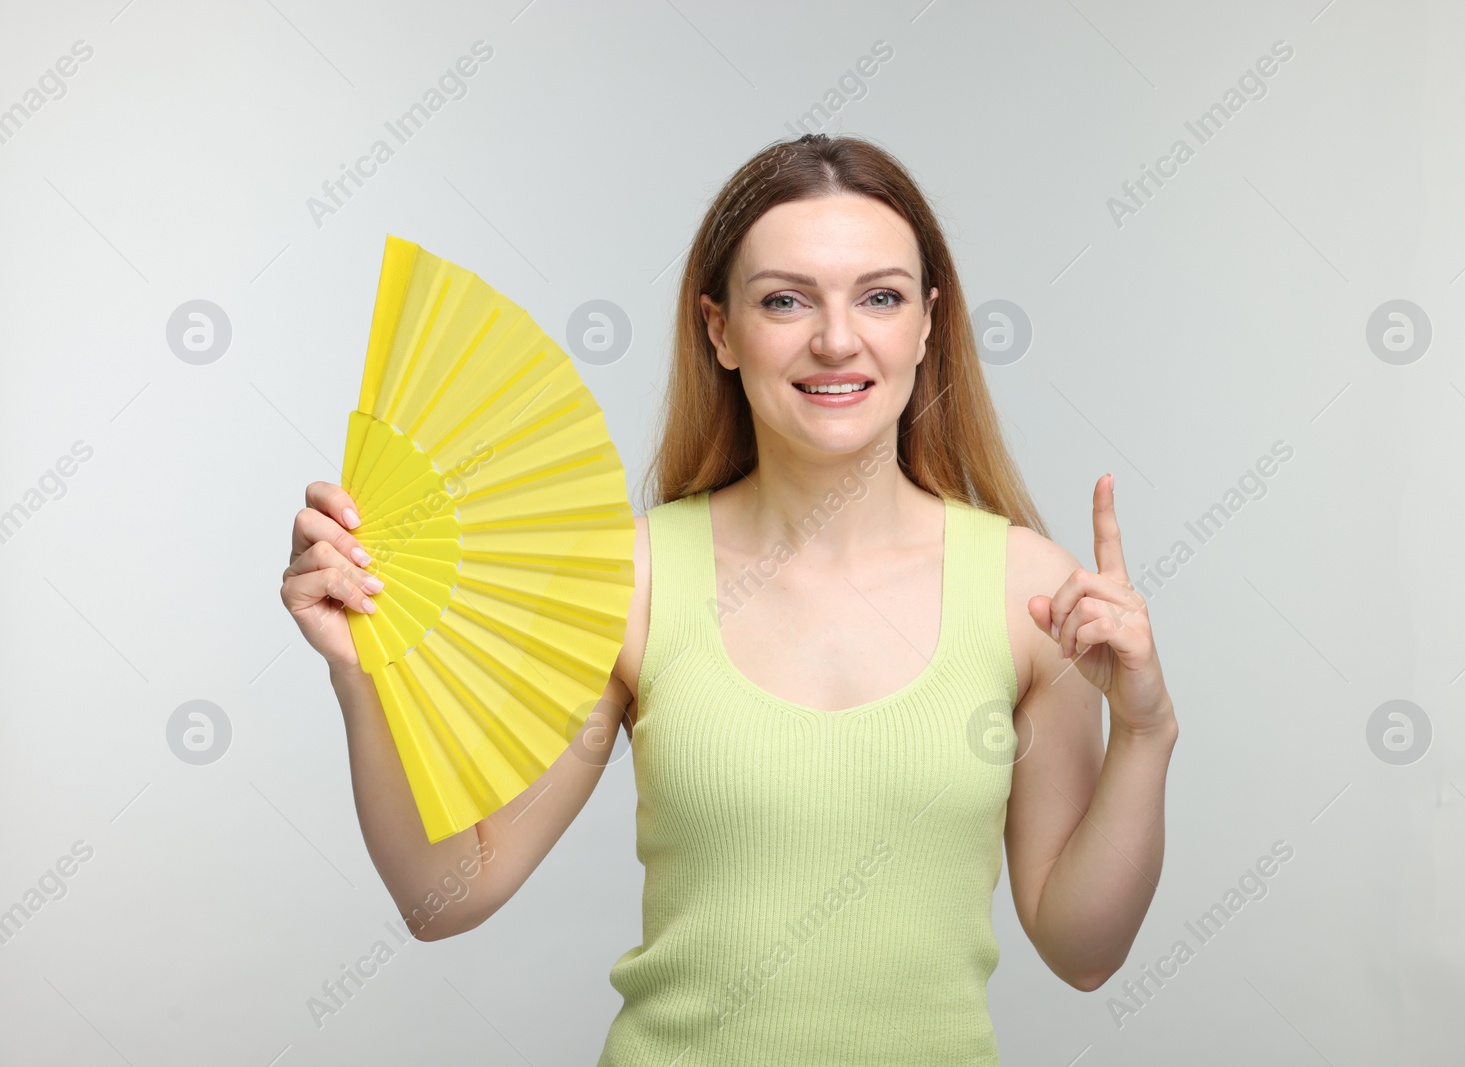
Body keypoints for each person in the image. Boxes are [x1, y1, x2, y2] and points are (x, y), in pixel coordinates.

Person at [279, 133, 1178, 1065]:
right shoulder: (631, 581)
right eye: (785, 300)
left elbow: (1083, 950)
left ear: (926, 325)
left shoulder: (1029, 591)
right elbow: (447, 895)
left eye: (880, 296)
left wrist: (1146, 733)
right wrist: (360, 679)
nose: (837, 337)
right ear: (719, 330)